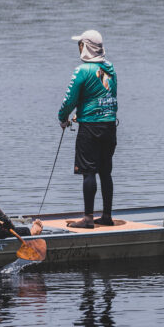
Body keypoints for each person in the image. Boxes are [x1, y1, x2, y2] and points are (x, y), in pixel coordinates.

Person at [58, 29, 118, 229]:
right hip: (109, 126)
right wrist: (81, 113)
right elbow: (101, 97)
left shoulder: (82, 70)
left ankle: (88, 219)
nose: (78, 48)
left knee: (89, 172)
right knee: (105, 172)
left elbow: (69, 100)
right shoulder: (110, 69)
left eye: (80, 44)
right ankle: (107, 215)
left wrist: (63, 117)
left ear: (85, 47)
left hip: (90, 129)